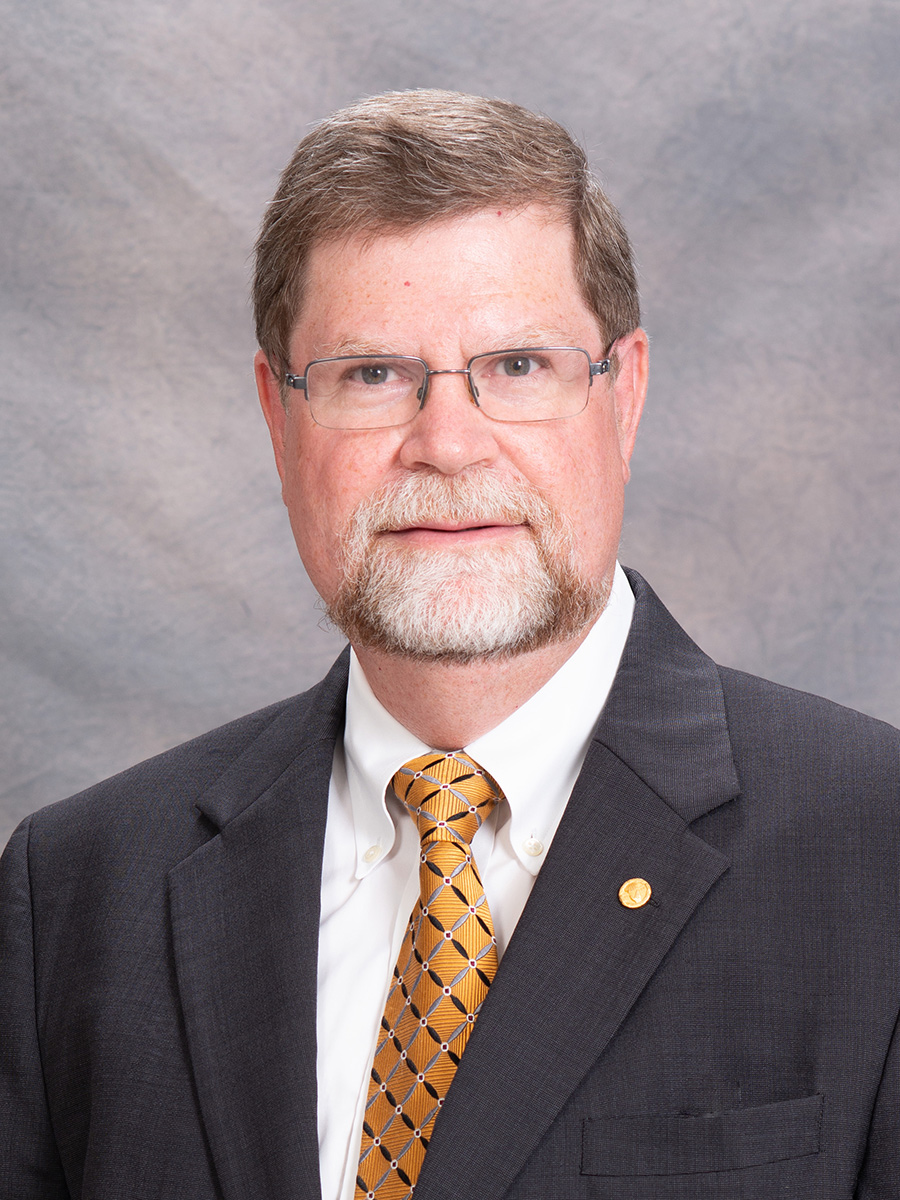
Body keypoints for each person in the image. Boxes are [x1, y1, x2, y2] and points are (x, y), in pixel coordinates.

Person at [1, 89, 898, 1200]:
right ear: (280, 421)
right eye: (372, 374)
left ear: (625, 396)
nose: (448, 443)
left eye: (519, 366)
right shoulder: (79, 892)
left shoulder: (878, 854)